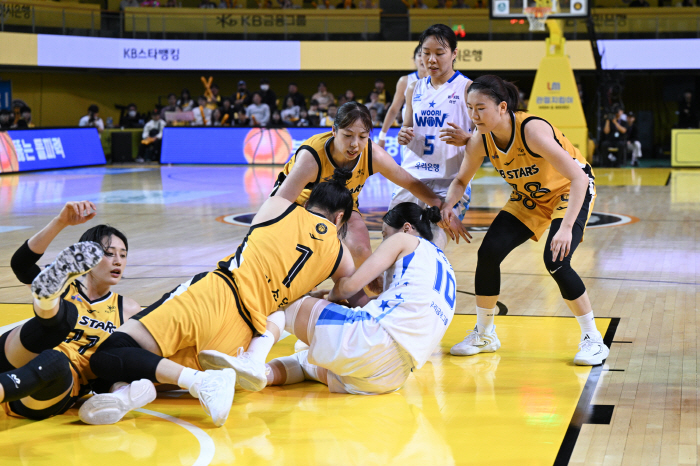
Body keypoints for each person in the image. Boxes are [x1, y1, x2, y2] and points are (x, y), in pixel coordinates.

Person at [80, 172, 359, 427]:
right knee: (139, 367)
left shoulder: (280, 208)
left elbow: (295, 176)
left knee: (111, 352)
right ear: (339, 219)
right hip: (239, 339)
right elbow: (350, 290)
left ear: (308, 202)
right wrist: (331, 294)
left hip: (216, 295)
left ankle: (199, 381)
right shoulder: (340, 254)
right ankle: (125, 394)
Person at [199, 203, 455, 395]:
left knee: (283, 301)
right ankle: (245, 378)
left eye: (385, 235)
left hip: (371, 339)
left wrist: (329, 295)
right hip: (390, 377)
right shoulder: (444, 267)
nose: (385, 241)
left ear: (407, 229)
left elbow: (349, 287)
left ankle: (253, 361)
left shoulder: (404, 240)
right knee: (304, 361)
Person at [439, 74, 608, 366]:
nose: (473, 115)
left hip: (569, 190)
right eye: (469, 107)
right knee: (488, 253)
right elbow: (460, 181)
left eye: (480, 108)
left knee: (556, 260)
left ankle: (593, 339)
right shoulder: (480, 140)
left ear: (502, 107)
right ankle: (485, 334)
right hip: (530, 197)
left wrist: (566, 227)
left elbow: (579, 178)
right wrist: (447, 207)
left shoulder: (532, 130)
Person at [270, 102, 451, 292]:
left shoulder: (372, 154)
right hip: (297, 207)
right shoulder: (311, 157)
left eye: (362, 137)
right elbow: (278, 205)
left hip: (342, 206)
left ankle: (374, 304)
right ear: (334, 131)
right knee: (306, 268)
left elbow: (410, 182)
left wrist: (442, 206)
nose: (355, 144)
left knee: (362, 252)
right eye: (347, 135)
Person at [0, 201, 146, 421]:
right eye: (109, 253)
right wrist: (60, 222)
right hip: (19, 357)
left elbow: (131, 360)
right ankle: (47, 302)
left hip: (54, 388)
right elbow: (21, 264)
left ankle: (47, 304)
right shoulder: (64, 284)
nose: (118, 261)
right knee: (60, 320)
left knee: (55, 361)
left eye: (123, 255)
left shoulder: (128, 310)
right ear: (86, 257)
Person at [396, 24, 474, 248]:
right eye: (425, 53)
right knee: (393, 237)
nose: (431, 59)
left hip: (449, 181)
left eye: (439, 53)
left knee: (432, 245)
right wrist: (404, 134)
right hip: (412, 177)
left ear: (454, 54)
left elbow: (486, 140)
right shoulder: (413, 88)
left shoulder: (468, 88)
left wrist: (467, 138)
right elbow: (407, 128)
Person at [378, 44, 428, 149]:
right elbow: (393, 110)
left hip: (433, 135)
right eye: (419, 55)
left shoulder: (442, 82)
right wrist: (382, 136)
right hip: (409, 137)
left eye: (426, 54)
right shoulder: (405, 81)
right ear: (414, 60)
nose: (423, 58)